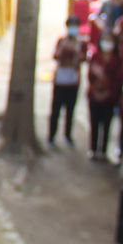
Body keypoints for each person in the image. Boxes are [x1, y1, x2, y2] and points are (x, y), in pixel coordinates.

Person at [49, 15, 85, 148]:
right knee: (56, 110)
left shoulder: (81, 43)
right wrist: (64, 49)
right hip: (60, 80)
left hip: (73, 81)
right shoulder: (61, 41)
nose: (73, 29)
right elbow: (56, 56)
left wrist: (76, 52)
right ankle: (51, 136)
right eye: (71, 26)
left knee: (70, 110)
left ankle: (68, 135)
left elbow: (83, 59)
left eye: (75, 26)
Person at [87, 35, 120, 162]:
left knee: (106, 124)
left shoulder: (116, 60)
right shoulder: (96, 57)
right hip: (94, 97)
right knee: (94, 123)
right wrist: (96, 92)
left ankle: (104, 151)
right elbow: (90, 76)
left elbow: (117, 80)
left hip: (109, 98)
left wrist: (108, 93)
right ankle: (93, 149)